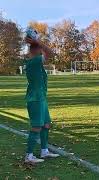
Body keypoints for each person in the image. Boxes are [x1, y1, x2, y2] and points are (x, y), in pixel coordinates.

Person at [24, 34, 59, 164]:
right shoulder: (34, 61)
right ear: (38, 51)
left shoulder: (36, 63)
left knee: (46, 124)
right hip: (35, 99)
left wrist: (36, 42)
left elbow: (49, 53)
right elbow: (51, 53)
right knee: (36, 127)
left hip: (41, 98)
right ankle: (29, 156)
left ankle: (44, 151)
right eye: (41, 50)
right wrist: (37, 41)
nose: (43, 52)